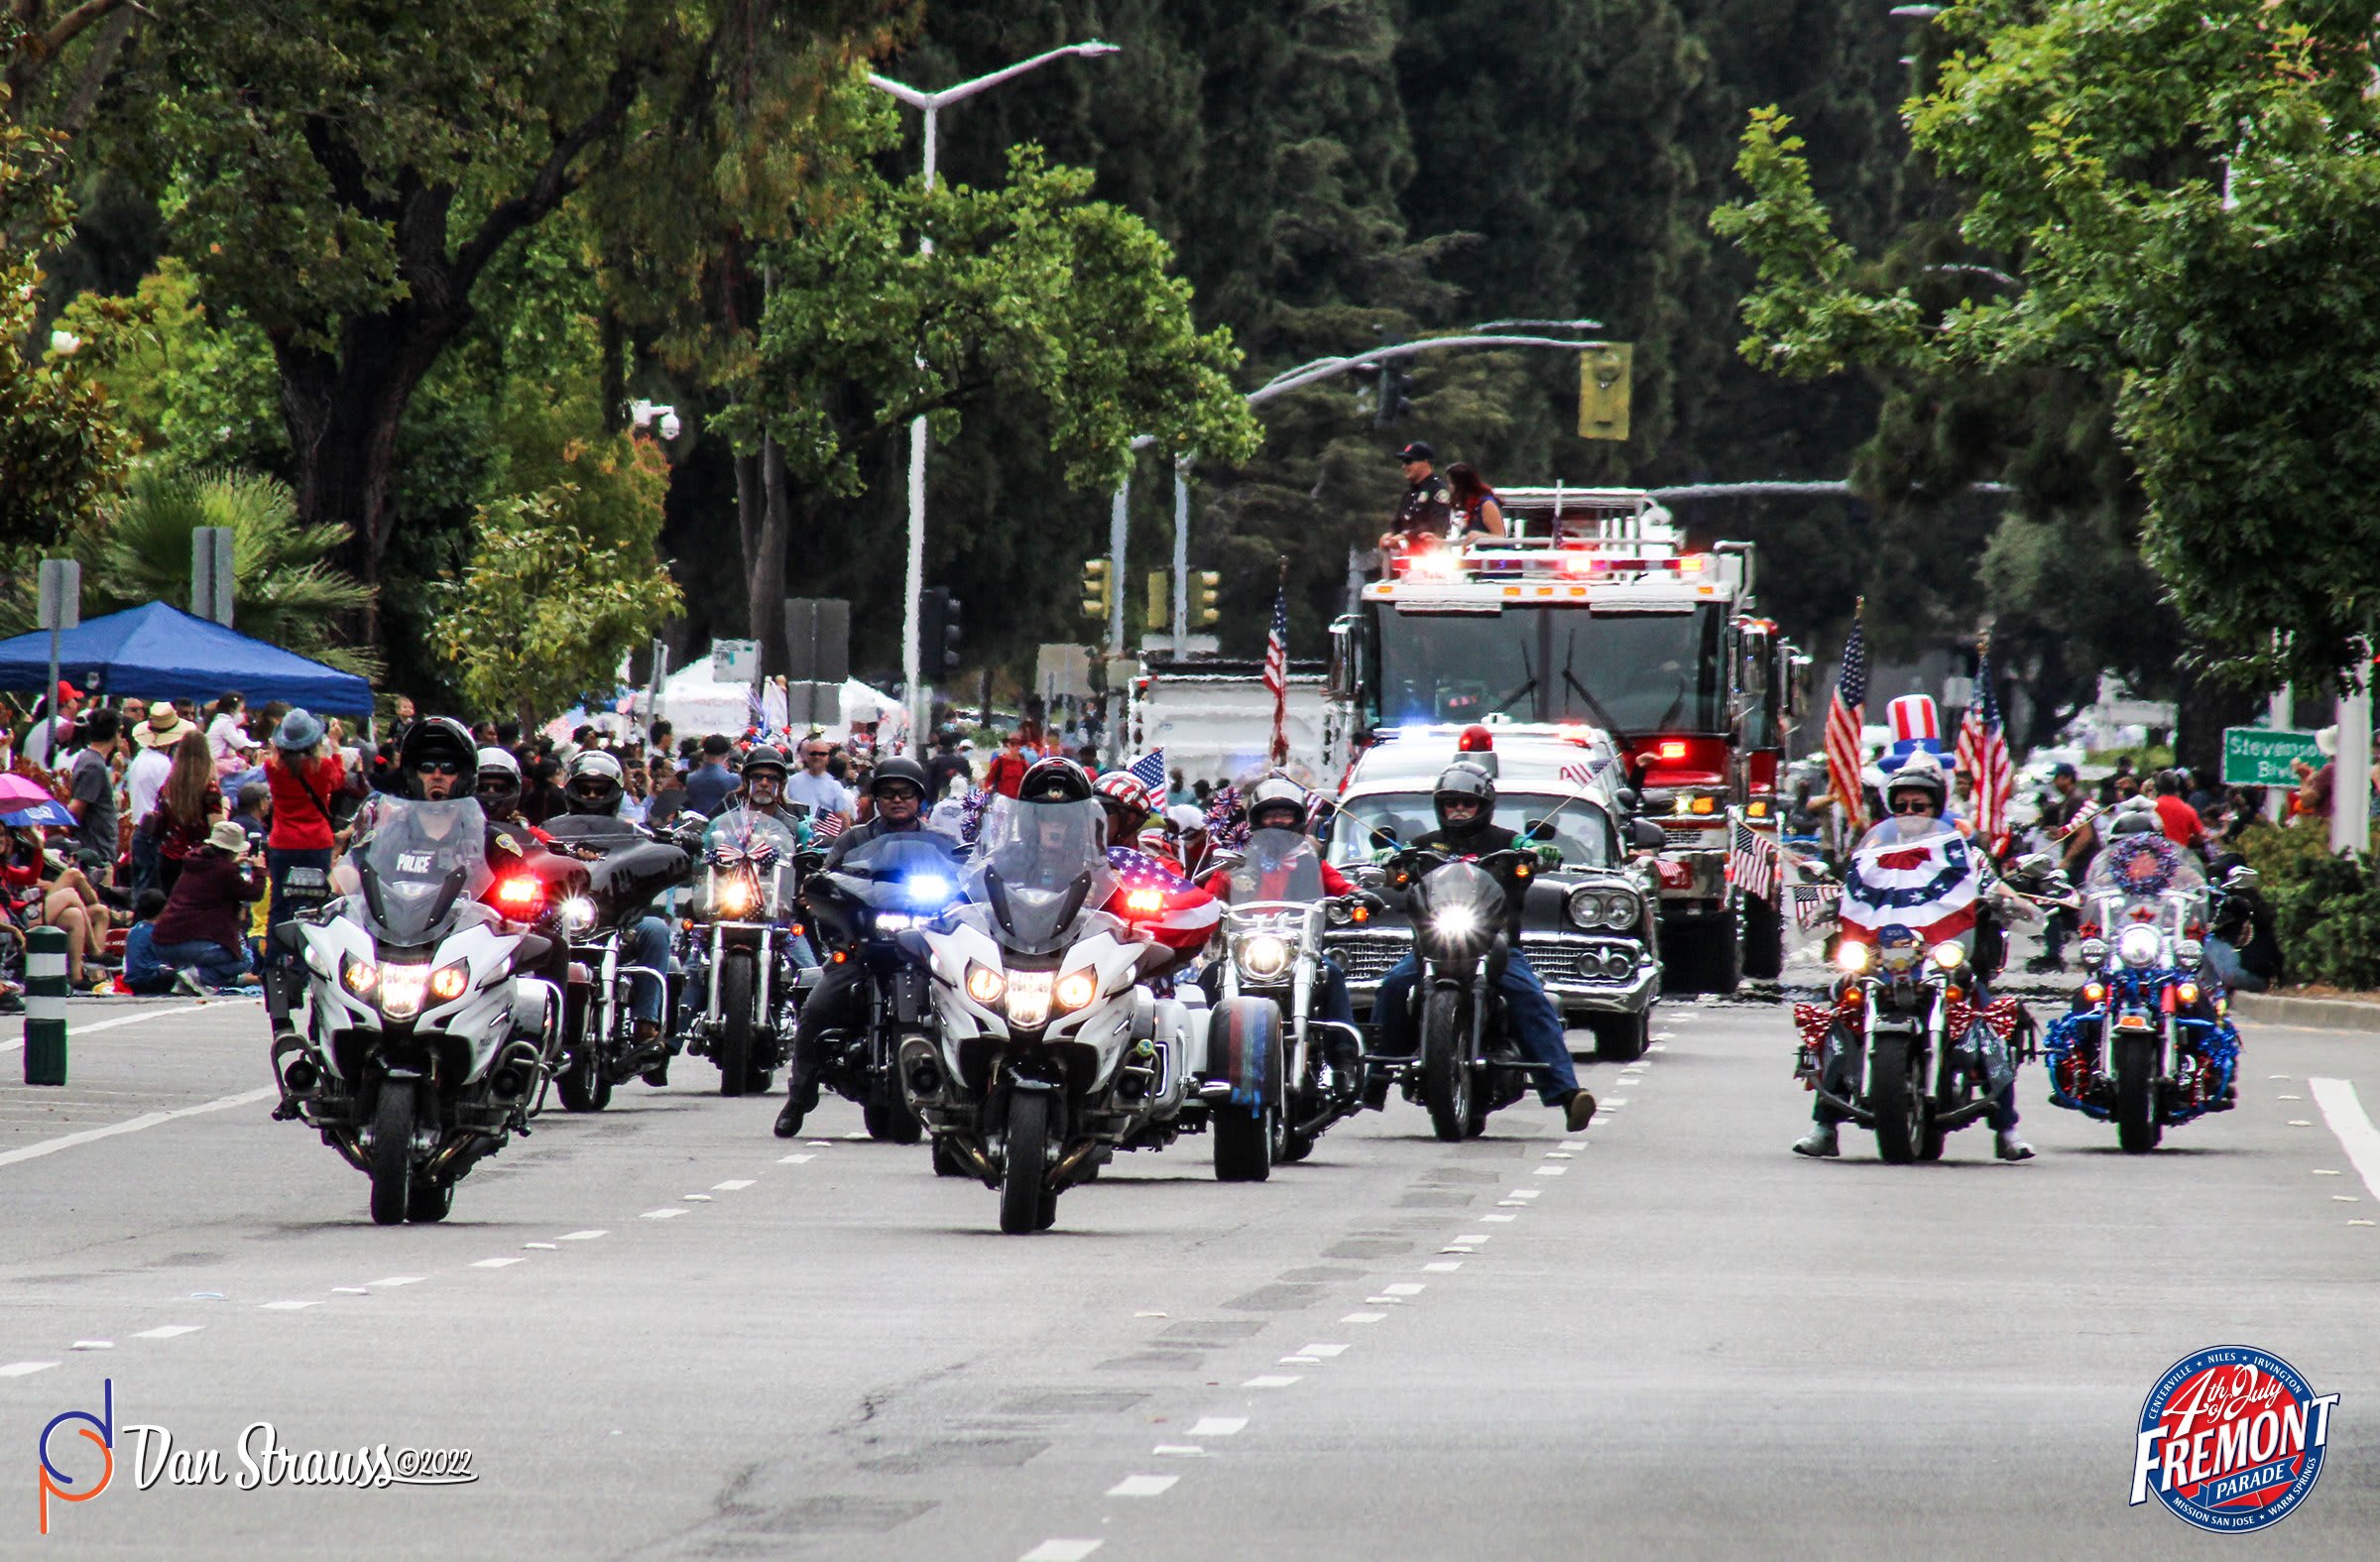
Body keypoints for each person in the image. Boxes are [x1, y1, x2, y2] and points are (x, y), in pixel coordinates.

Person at [1796, 754, 2033, 1161]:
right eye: (1902, 805)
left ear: (1935, 808)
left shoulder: (1963, 852)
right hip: (1879, 958)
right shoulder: (1872, 850)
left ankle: (2006, 1129)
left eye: (1918, 806)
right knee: (1838, 1011)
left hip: (1941, 958)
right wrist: (1830, 904)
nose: (1909, 812)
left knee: (1988, 1017)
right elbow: (1851, 889)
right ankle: (1824, 1125)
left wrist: (2011, 901)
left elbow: (1992, 884)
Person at [1369, 764, 1600, 1133]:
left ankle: (1567, 1094)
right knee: (1393, 987)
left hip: (1494, 947)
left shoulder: (1508, 843)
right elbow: (1399, 876)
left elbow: (1529, 851)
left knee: (1531, 998)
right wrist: (1390, 862)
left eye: (1467, 804)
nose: (1458, 810)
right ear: (1439, 807)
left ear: (1484, 806)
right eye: (1451, 804)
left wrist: (1540, 854)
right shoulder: (1424, 847)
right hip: (1434, 946)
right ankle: (1376, 1078)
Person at [775, 756, 936, 1137]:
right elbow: (825, 879)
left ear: (919, 799)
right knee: (817, 1007)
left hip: (922, 951)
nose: (898, 800)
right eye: (888, 793)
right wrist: (819, 888)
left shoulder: (937, 842)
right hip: (863, 946)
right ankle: (799, 1096)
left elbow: (967, 880)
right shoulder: (853, 840)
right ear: (875, 799)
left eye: (906, 793)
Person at [1199, 776, 1361, 1031]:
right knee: (1211, 976)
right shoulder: (1238, 861)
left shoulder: (1310, 861)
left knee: (1331, 974)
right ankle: (1203, 1049)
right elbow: (1210, 894)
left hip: (1299, 951)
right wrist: (1202, 905)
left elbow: (1341, 886)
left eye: (1285, 815)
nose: (1277, 823)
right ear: (1256, 820)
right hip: (1245, 953)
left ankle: (1343, 1053)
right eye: (1270, 816)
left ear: (1298, 820)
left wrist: (1359, 895)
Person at [559, 749, 674, 1054]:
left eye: (601, 790)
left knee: (656, 930)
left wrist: (669, 842)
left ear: (614, 793)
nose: (593, 796)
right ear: (572, 790)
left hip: (618, 919)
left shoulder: (633, 832)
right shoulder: (547, 830)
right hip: (560, 919)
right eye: (586, 789)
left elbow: (660, 850)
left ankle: (646, 1022)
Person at [149, 819, 265, 990]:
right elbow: (254, 893)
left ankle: (188, 976)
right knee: (244, 959)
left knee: (232, 959)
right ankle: (198, 977)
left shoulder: (195, 862)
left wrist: (231, 864)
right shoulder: (225, 871)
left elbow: (214, 877)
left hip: (161, 940)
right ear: (232, 850)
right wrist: (259, 870)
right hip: (188, 942)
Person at [264, 708, 344, 940]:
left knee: (278, 904)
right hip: (317, 842)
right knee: (315, 905)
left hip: (283, 842)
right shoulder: (325, 767)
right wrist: (335, 745)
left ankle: (272, 963)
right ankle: (306, 961)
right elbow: (339, 781)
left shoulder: (272, 769)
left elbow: (273, 757)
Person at [144, 731, 227, 896]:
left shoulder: (169, 785)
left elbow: (161, 818)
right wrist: (226, 809)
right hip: (198, 860)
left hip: (168, 857)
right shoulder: (209, 788)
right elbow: (217, 827)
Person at [65, 707, 122, 879]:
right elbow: (76, 808)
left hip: (96, 851)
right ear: (117, 733)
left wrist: (112, 778)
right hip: (96, 856)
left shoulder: (90, 760)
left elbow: (92, 795)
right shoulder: (94, 766)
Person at [1383, 441, 1454, 542]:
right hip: (1406, 554)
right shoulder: (1409, 494)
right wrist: (1390, 534)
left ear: (1425, 462)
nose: (1404, 466)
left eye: (1408, 461)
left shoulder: (1438, 491)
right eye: (1403, 462)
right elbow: (1397, 522)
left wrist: (1406, 536)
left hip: (1429, 554)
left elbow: (1438, 525)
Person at [118, 889, 179, 996]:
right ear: (164, 909)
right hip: (151, 979)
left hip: (133, 980)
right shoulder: (158, 933)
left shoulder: (132, 931)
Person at [785, 736, 856, 825]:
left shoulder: (835, 787)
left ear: (828, 758)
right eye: (813, 753)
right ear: (806, 756)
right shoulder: (791, 781)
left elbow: (844, 819)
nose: (817, 757)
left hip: (823, 836)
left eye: (822, 754)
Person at [2147, 769, 2207, 853]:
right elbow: (2201, 837)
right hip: (2179, 858)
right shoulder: (2188, 809)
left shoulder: (2151, 807)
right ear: (2176, 786)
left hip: (2156, 857)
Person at [1445, 461, 1507, 538]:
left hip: (1494, 549)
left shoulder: (1486, 504)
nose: (1449, 488)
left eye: (1451, 483)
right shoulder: (1466, 506)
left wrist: (1479, 535)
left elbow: (1500, 536)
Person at [682, 734, 738, 816]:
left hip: (696, 823)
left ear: (704, 752)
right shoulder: (733, 779)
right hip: (722, 824)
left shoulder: (690, 778)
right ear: (726, 755)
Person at [924, 724, 972, 802]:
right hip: (960, 798)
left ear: (940, 744)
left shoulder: (934, 761)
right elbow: (968, 779)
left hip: (938, 798)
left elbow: (928, 783)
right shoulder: (962, 760)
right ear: (953, 744)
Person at [984, 728, 1033, 798]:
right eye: (1012, 743)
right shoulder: (999, 762)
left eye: (1018, 743)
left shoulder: (1024, 764)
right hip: (1002, 801)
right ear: (1007, 745)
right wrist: (988, 788)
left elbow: (1029, 783)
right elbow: (988, 780)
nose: (1015, 746)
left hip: (1018, 802)